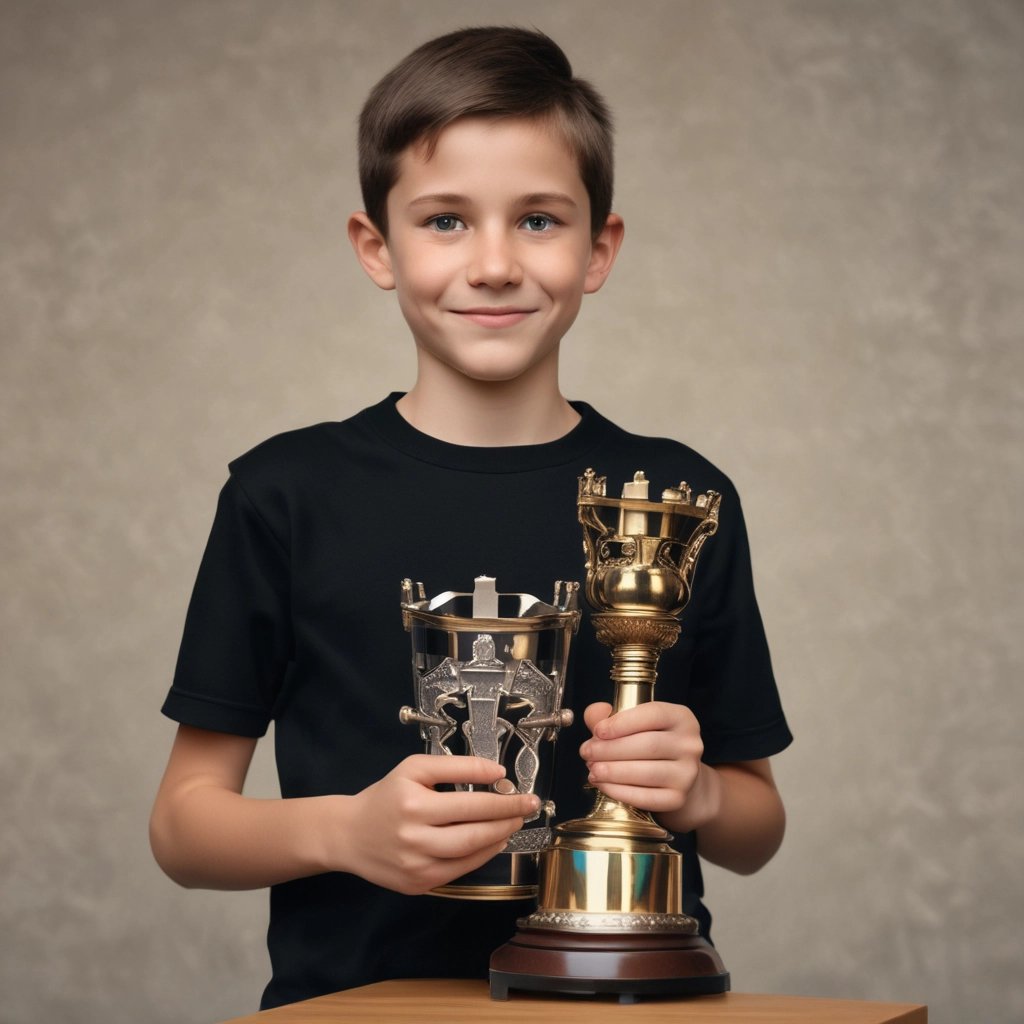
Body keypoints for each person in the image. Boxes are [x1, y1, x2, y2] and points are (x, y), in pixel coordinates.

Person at [150, 26, 792, 1011]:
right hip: (358, 1003)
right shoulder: (283, 494)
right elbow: (184, 827)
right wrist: (344, 832)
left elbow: (755, 825)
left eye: (538, 220)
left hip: (628, 1004)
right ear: (377, 247)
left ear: (598, 248)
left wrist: (699, 792)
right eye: (445, 220)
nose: (492, 265)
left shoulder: (676, 498)